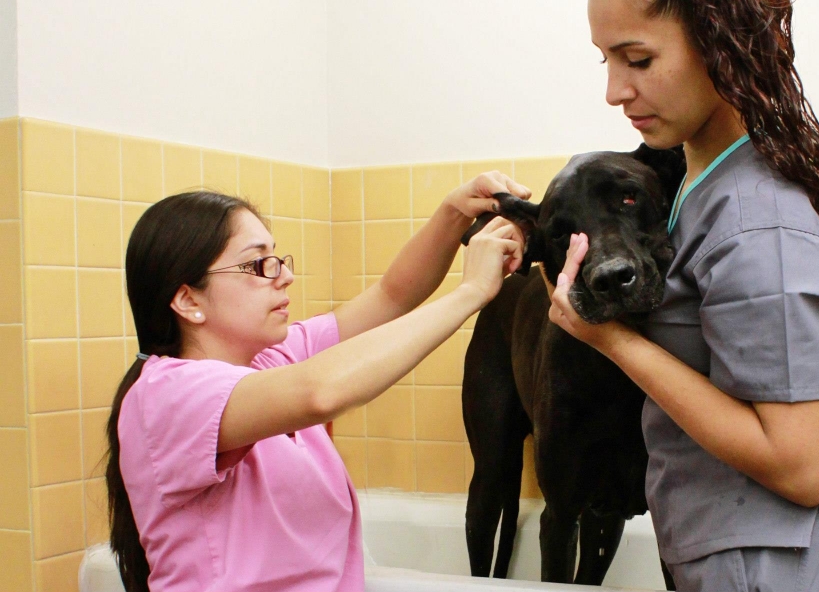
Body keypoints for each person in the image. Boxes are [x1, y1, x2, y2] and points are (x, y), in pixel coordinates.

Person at [545, 0, 819, 591]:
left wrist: (609, 339)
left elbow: (805, 465)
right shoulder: (702, 188)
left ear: (717, 38)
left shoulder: (755, 217)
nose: (615, 90)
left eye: (638, 59)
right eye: (607, 61)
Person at [105, 174, 529, 592]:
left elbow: (392, 295)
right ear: (188, 300)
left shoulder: (271, 361)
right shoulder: (166, 394)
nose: (284, 276)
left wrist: (455, 211)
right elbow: (320, 392)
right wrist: (472, 290)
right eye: (258, 264)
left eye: (277, 259)